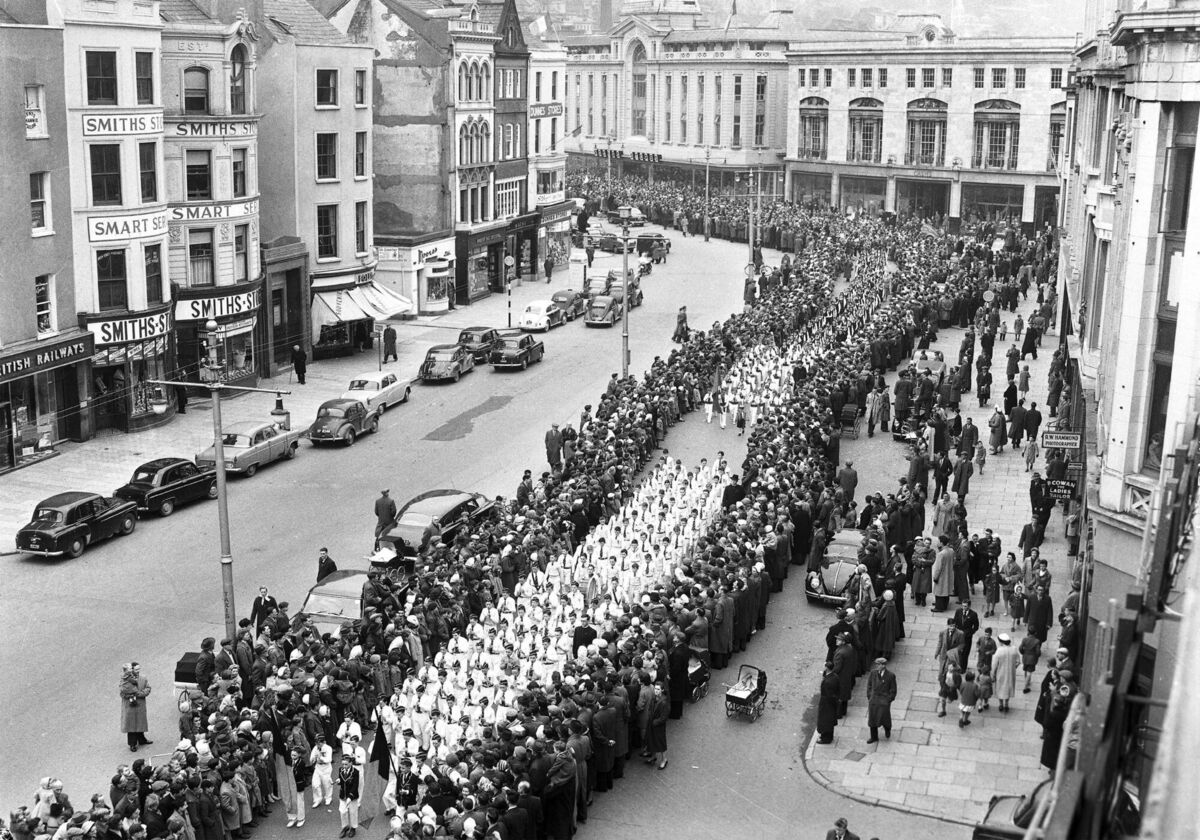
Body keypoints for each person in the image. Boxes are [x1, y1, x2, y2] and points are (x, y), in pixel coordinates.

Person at [119, 663, 152, 751]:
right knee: (131, 725)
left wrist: (140, 694)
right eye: (136, 669)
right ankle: (132, 744)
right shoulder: (125, 680)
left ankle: (142, 739)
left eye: (139, 669)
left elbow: (148, 688)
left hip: (140, 705)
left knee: (140, 722)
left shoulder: (143, 678)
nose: (138, 671)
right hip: (130, 706)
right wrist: (129, 696)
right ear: (132, 670)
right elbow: (122, 693)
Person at [865, 657, 897, 743]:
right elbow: (869, 685)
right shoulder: (873, 673)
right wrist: (869, 696)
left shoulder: (890, 676)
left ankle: (887, 729)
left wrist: (888, 700)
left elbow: (893, 690)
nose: (876, 666)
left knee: (885, 718)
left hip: (884, 701)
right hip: (874, 700)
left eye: (878, 664)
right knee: (872, 719)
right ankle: (874, 737)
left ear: (883, 665)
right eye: (876, 664)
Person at [335, 754, 359, 837]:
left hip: (352, 796)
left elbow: (355, 786)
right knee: (342, 812)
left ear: (351, 763)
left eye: (346, 764)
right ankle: (345, 827)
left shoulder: (355, 772)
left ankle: (353, 828)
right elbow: (341, 780)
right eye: (343, 764)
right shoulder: (340, 770)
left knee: (353, 812)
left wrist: (350, 797)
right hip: (343, 795)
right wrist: (338, 781)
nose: (344, 766)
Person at [816, 665, 841, 744]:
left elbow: (827, 694)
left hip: (826, 703)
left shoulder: (827, 682)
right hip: (832, 703)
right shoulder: (835, 676)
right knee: (829, 721)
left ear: (827, 668)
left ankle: (825, 738)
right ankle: (828, 736)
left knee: (825, 721)